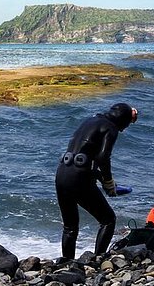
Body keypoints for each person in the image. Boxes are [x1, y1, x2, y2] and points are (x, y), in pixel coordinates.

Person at [55, 103, 138, 259]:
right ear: (122, 119)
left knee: (70, 227)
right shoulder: (110, 128)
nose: (125, 128)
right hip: (79, 177)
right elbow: (102, 157)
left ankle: (67, 263)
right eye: (127, 123)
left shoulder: (90, 121)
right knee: (108, 220)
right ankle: (98, 259)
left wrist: (101, 180)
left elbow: (82, 158)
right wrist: (108, 182)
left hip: (62, 173)